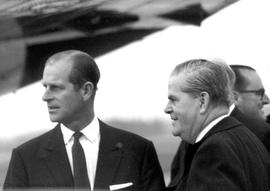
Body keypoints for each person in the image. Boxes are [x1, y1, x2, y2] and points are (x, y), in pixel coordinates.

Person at [3, 50, 165, 191]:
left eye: (56, 88)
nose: (45, 97)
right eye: (45, 87)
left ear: (86, 91)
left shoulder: (139, 151)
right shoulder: (25, 158)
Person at [164, 59, 270, 191]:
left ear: (203, 101)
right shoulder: (246, 137)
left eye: (174, 100)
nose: (167, 109)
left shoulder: (214, 149)